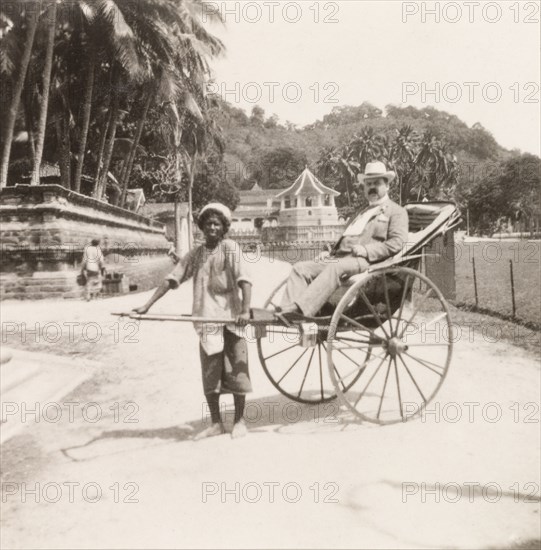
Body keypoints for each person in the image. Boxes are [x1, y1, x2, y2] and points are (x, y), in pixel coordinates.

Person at [133, 203, 253, 440]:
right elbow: (172, 278)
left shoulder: (229, 248)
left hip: (231, 317)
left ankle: (239, 420)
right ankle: (217, 423)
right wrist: (147, 305)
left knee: (237, 370)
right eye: (208, 223)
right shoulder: (195, 255)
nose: (212, 227)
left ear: (224, 228)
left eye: (217, 224)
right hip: (205, 318)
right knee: (210, 374)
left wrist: (246, 310)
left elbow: (244, 280)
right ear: (201, 227)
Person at [280, 161, 409, 318]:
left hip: (364, 261)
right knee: (300, 268)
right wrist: (329, 253)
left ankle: (302, 310)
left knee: (336, 268)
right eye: (368, 184)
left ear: (387, 186)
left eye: (377, 183)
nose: (372, 187)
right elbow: (346, 239)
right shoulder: (361, 212)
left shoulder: (396, 212)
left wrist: (367, 250)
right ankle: (287, 310)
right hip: (340, 259)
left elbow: (397, 242)